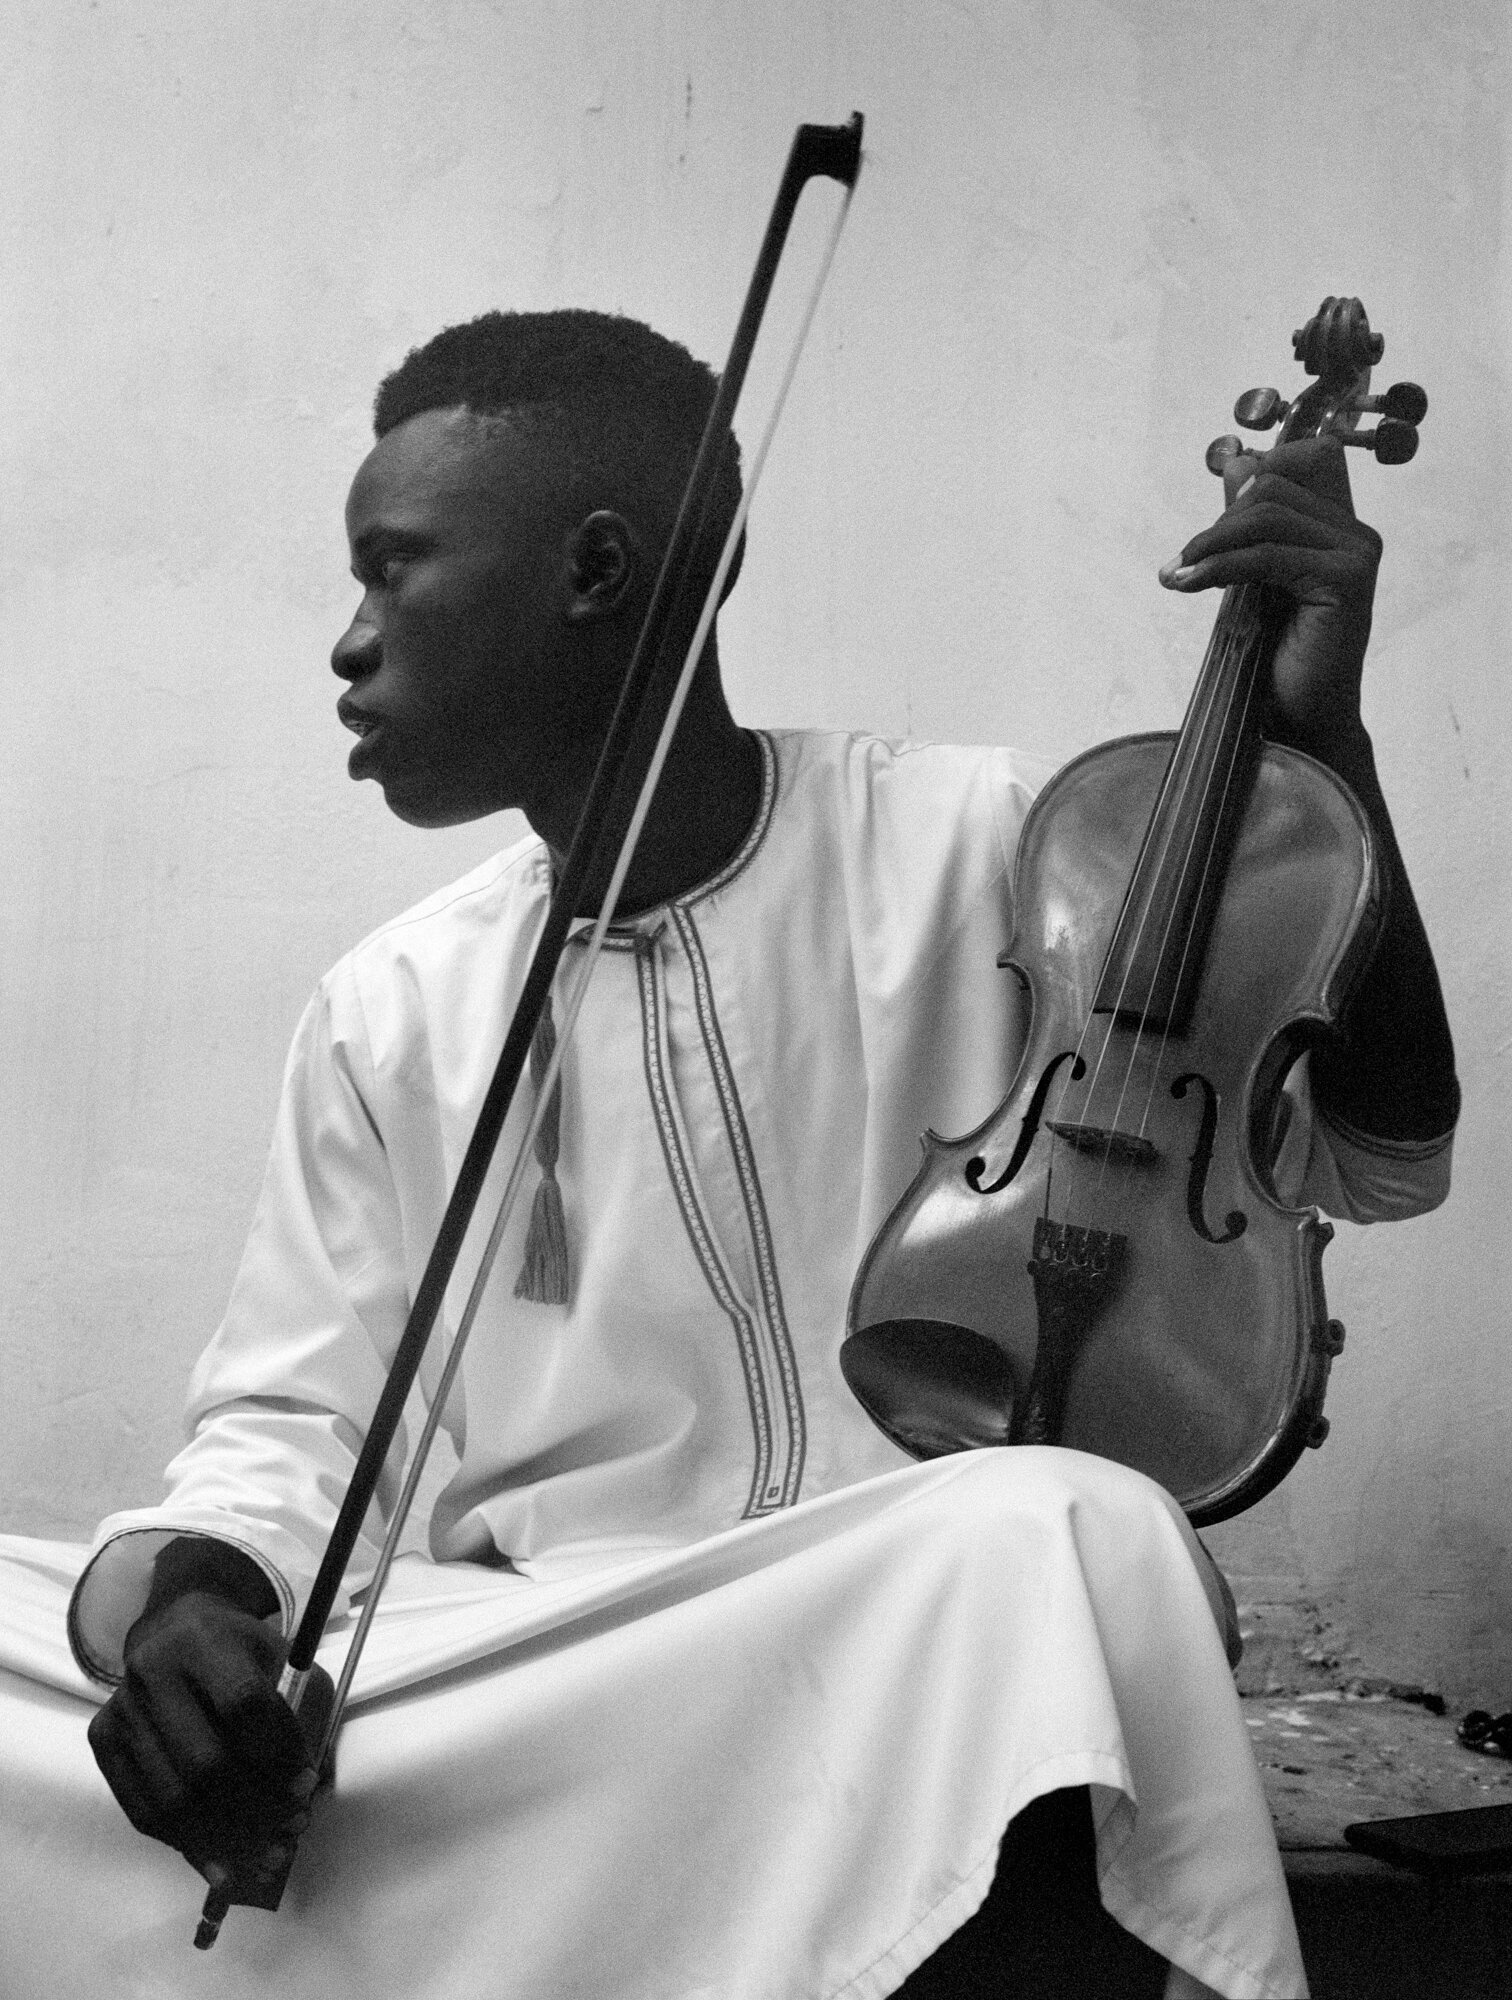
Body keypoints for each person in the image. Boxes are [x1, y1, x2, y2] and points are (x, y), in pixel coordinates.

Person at [66, 310, 1456, 1999]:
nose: (349, 647)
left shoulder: (1012, 852)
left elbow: (1371, 1164)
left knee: (1055, 1525)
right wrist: (192, 1612)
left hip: (923, 1647)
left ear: (597, 571)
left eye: (391, 571)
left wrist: (1333, 756)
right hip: (581, 1676)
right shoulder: (391, 1009)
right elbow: (287, 1427)